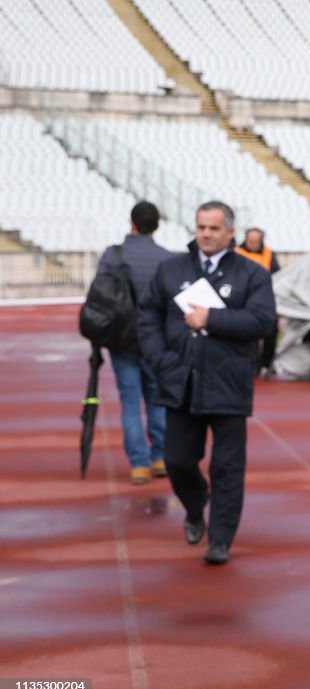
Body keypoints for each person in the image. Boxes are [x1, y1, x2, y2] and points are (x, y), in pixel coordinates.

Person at [138, 201, 276, 565]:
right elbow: (148, 315)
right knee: (178, 460)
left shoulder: (251, 274)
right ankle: (196, 506)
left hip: (229, 383)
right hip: (179, 380)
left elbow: (262, 321)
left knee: (227, 468)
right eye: (201, 227)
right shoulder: (171, 270)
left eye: (214, 228)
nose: (206, 234)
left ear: (230, 232)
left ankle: (221, 539)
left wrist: (211, 318)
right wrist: (159, 358)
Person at [96, 201, 172, 485]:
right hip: (155, 340)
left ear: (132, 223)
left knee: (129, 402)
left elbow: (101, 295)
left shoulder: (112, 255)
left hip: (121, 338)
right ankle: (160, 456)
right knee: (157, 400)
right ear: (157, 225)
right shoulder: (166, 258)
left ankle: (138, 464)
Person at [235, 227, 281, 377]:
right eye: (250, 241)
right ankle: (252, 363)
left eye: (256, 241)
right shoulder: (236, 254)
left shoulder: (269, 254)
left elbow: (277, 275)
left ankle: (266, 363)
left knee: (271, 332)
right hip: (244, 299)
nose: (253, 244)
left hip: (266, 298)